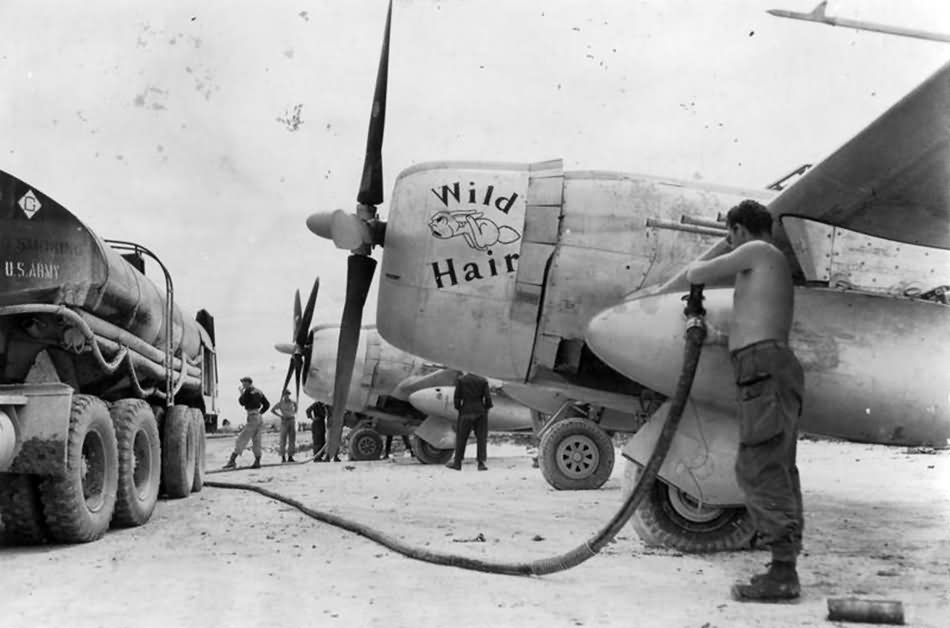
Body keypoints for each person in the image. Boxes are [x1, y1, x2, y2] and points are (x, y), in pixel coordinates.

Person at [685, 199, 805, 603]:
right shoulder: (768, 262)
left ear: (739, 229)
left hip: (764, 369)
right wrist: (718, 338)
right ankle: (784, 563)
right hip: (769, 366)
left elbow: (696, 272)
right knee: (775, 464)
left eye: (729, 234)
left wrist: (715, 253)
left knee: (759, 466)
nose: (728, 241)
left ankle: (783, 574)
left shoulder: (757, 250)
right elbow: (756, 325)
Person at [445, 372, 492, 471]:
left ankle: (457, 463)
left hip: (466, 410)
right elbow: (488, 398)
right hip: (480, 411)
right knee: (481, 438)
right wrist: (486, 409)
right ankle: (481, 463)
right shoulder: (483, 380)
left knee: (461, 438)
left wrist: (459, 408)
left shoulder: (461, 380)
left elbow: (457, 397)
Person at [223, 377, 271, 469]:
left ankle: (232, 460)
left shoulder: (248, 391)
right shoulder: (259, 391)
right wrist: (260, 412)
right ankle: (257, 462)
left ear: (248, 383)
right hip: (258, 417)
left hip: (252, 416)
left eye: (244, 382)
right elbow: (267, 404)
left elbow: (242, 402)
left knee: (241, 439)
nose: (243, 384)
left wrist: (241, 393)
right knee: (257, 441)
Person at [271, 389, 298, 462]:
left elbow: (296, 408)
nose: (287, 395)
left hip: (292, 420)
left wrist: (293, 413)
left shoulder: (293, 402)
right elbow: (272, 410)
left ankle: (290, 456)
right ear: (283, 395)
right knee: (283, 440)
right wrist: (280, 415)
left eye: (288, 394)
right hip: (284, 421)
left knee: (292, 439)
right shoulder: (280, 403)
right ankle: (283, 457)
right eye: (285, 394)